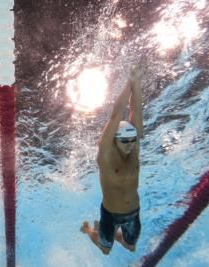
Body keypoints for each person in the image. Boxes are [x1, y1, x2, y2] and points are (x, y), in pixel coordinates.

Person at [80, 60, 145, 255]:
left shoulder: (133, 148)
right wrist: (128, 83)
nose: (131, 145)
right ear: (115, 140)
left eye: (133, 140)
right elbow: (116, 115)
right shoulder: (105, 155)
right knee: (105, 250)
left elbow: (136, 112)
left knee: (131, 247)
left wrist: (137, 83)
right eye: (125, 142)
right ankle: (89, 230)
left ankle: (119, 236)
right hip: (111, 214)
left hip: (133, 213)